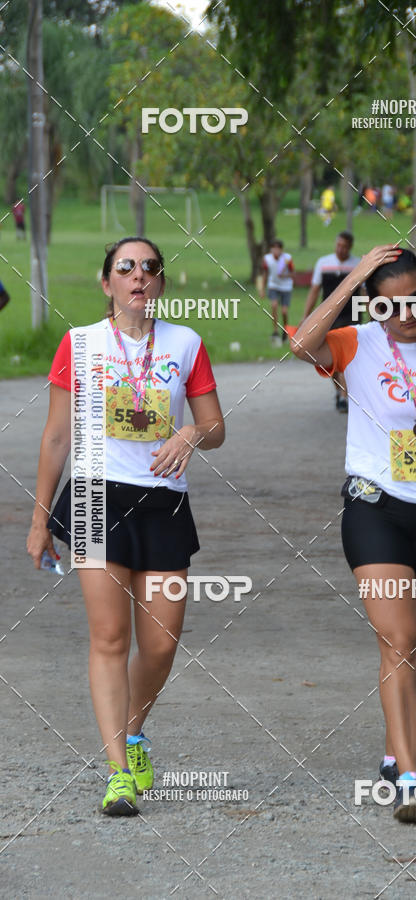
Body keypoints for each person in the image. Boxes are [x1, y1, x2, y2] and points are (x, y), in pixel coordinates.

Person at [291, 245, 416, 823]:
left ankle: (392, 752)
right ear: (372, 304)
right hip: (374, 508)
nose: (407, 313)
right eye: (390, 304)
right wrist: (353, 276)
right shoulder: (354, 342)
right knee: (399, 639)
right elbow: (300, 344)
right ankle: (409, 779)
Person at [27, 236, 225, 816]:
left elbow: (215, 427)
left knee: (161, 644)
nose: (139, 276)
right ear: (107, 281)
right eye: (126, 267)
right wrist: (40, 519)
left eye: (150, 268)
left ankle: (133, 733)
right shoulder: (80, 343)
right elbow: (57, 436)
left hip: (163, 502)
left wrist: (191, 432)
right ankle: (118, 772)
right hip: (94, 496)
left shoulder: (186, 343)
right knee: (110, 637)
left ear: (161, 283)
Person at [302, 232, 361, 413]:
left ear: (350, 247)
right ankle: (338, 391)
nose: (341, 249)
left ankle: (344, 396)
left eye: (345, 246)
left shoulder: (357, 264)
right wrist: (306, 316)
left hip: (351, 316)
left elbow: (364, 292)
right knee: (331, 360)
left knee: (346, 359)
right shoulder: (323, 262)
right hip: (328, 318)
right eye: (339, 245)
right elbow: (315, 290)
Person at [260, 238, 294, 345]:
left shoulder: (287, 259)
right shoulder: (267, 259)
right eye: (274, 248)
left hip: (286, 287)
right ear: (271, 249)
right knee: (274, 305)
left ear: (281, 250)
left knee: (284, 311)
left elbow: (293, 274)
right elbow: (265, 274)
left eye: (278, 248)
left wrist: (285, 275)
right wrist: (262, 289)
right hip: (273, 285)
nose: (276, 250)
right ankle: (275, 331)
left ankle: (285, 330)